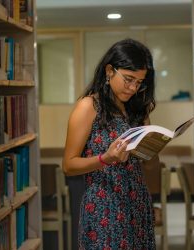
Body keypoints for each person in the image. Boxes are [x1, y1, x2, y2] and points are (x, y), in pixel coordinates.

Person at [63, 38, 156, 249]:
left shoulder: (136, 110)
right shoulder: (88, 107)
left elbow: (150, 164)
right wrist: (106, 159)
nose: (133, 88)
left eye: (139, 82)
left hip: (138, 204)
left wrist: (153, 143)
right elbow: (68, 165)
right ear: (109, 71)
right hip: (105, 208)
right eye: (129, 79)